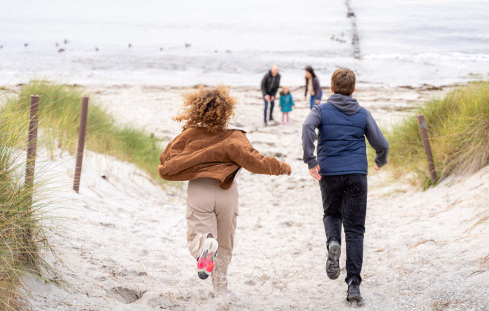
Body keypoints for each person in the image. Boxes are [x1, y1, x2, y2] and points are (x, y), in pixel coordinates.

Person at [158, 86, 291, 295]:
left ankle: (205, 247)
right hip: (226, 192)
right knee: (225, 243)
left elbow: (166, 160)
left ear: (197, 109)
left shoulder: (189, 135)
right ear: (226, 111)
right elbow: (255, 160)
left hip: (199, 189)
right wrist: (280, 167)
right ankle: (220, 289)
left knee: (198, 235)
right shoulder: (234, 136)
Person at [301, 67, 389, 304]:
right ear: (353, 89)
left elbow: (308, 127)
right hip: (356, 174)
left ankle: (333, 242)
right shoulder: (362, 113)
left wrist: (311, 160)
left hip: (329, 173)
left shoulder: (320, 110)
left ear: (331, 88)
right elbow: (381, 143)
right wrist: (381, 160)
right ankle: (353, 285)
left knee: (331, 213)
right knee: (355, 229)